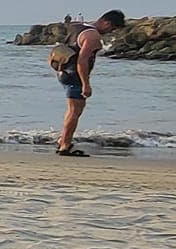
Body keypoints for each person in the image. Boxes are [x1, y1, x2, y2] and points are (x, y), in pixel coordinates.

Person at [54, 8, 126, 156]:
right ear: (106, 22)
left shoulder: (77, 27)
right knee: (75, 111)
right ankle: (65, 146)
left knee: (74, 109)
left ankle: (63, 140)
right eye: (112, 28)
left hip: (64, 71)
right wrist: (86, 84)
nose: (110, 32)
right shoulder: (93, 36)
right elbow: (82, 60)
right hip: (75, 75)